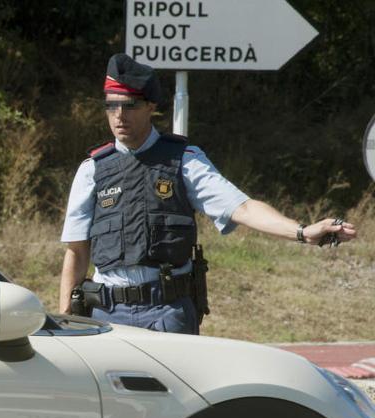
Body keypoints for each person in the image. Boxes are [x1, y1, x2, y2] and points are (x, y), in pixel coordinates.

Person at [58, 53, 358, 334]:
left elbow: (242, 208)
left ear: (151, 106)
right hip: (108, 315)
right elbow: (77, 252)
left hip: (167, 312)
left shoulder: (184, 160)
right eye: (111, 105)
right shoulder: (93, 169)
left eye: (130, 105)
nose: (119, 115)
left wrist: (302, 232)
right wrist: (65, 324)